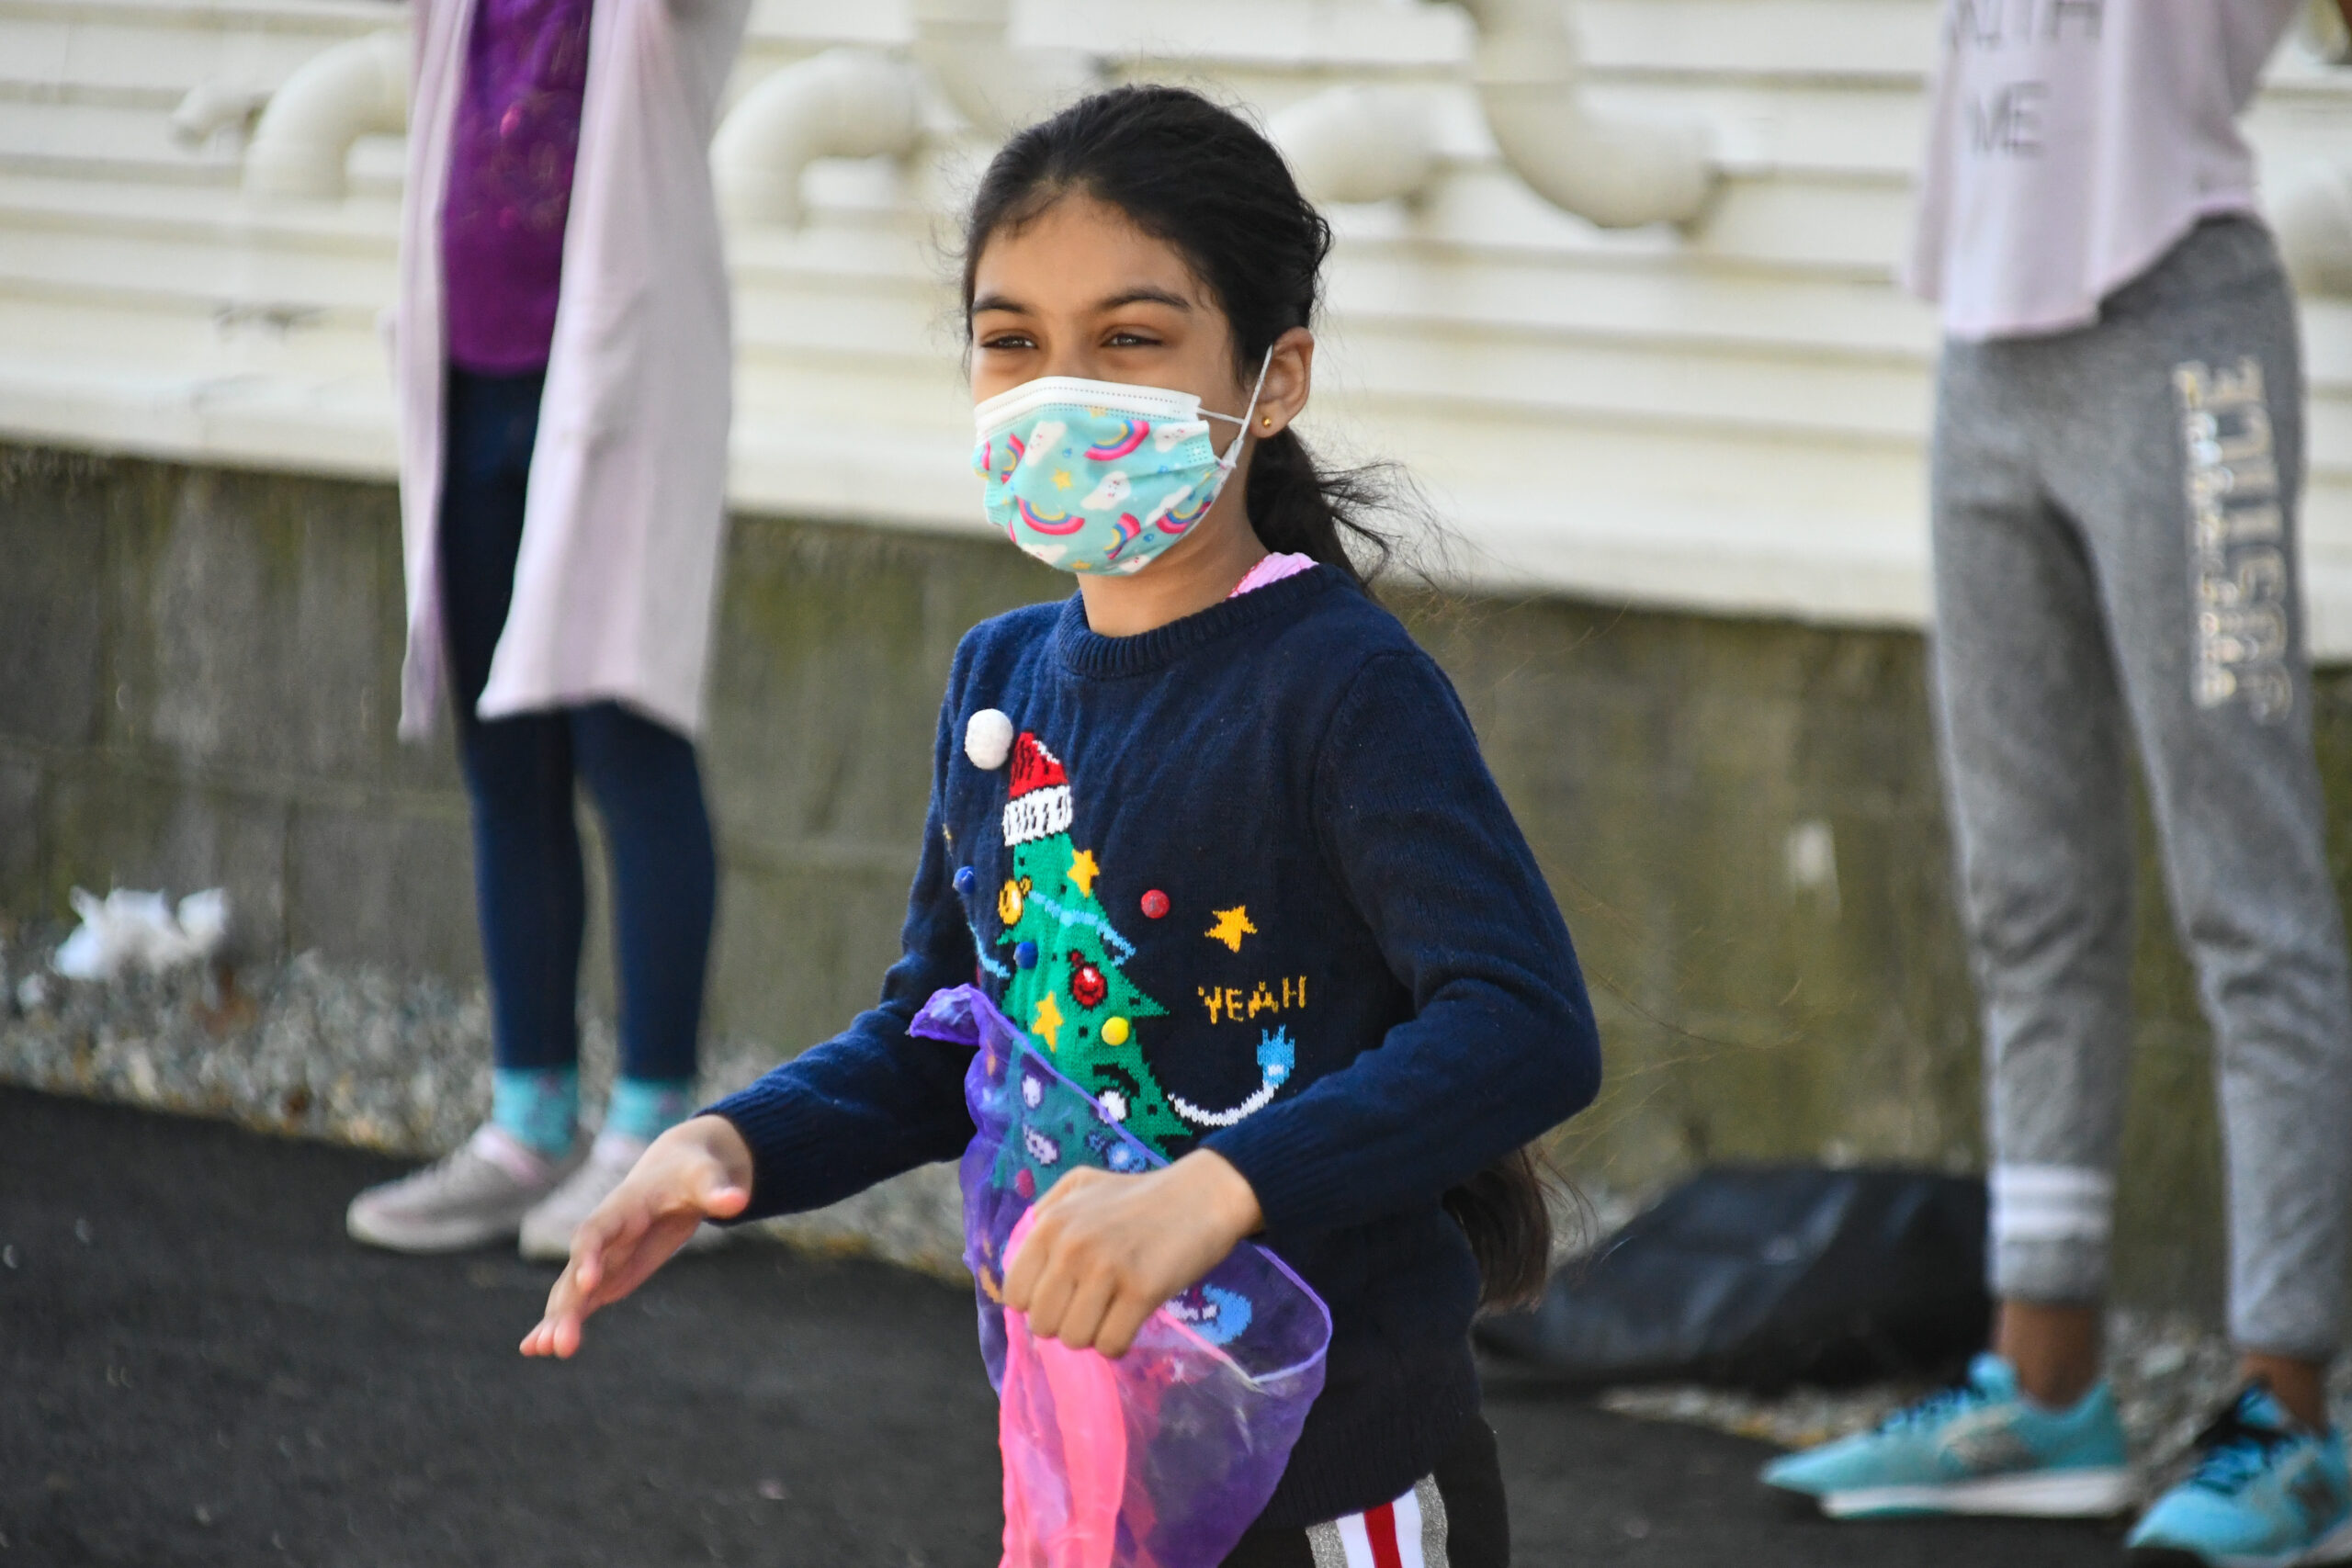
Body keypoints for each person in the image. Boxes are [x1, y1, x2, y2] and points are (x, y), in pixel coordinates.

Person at [516, 85, 1602, 1566]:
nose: (1061, 389)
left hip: (1340, 1477)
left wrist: (1217, 1195)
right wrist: (727, 1145)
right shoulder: (1001, 678)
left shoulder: (1341, 686)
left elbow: (1524, 1022)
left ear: (1273, 377)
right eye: (1012, 339)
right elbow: (944, 1031)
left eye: (1132, 339)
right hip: (1095, 1459)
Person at [1762, 5, 2352, 1563]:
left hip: (2183, 333)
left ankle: (2293, 1415)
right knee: (2027, 890)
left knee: (2250, 892)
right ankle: (2047, 1386)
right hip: (1985, 343)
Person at [344, 0, 750, 1260]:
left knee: (626, 731)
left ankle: (653, 1130)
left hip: (614, 384)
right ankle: (527, 1122)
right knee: (502, 752)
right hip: (469, 384)